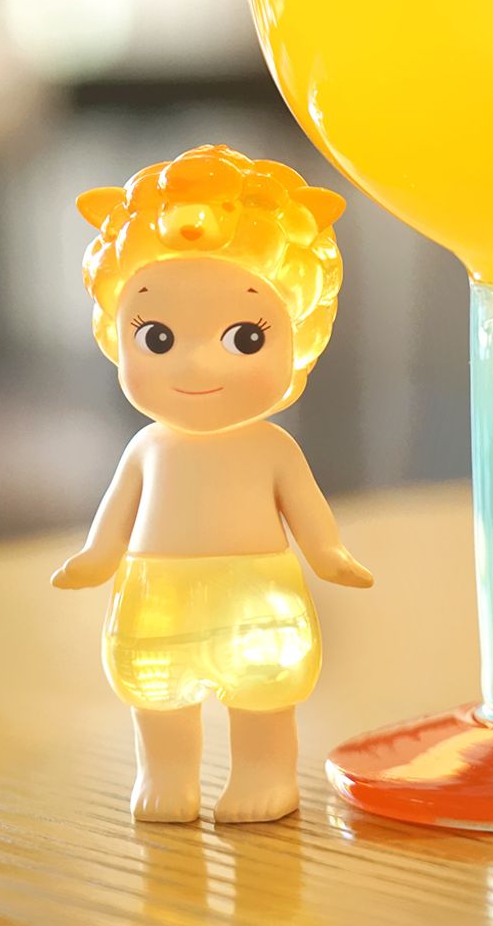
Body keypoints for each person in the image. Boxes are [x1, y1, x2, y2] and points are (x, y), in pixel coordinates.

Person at [52, 144, 372, 823]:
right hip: (157, 596)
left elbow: (307, 512)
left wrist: (330, 556)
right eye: (157, 338)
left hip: (257, 596)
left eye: (245, 339)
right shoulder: (147, 448)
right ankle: (167, 776)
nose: (196, 364)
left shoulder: (272, 448)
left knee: (262, 696)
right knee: (158, 698)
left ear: (298, 339)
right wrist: (95, 559)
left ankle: (265, 774)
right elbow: (116, 516)